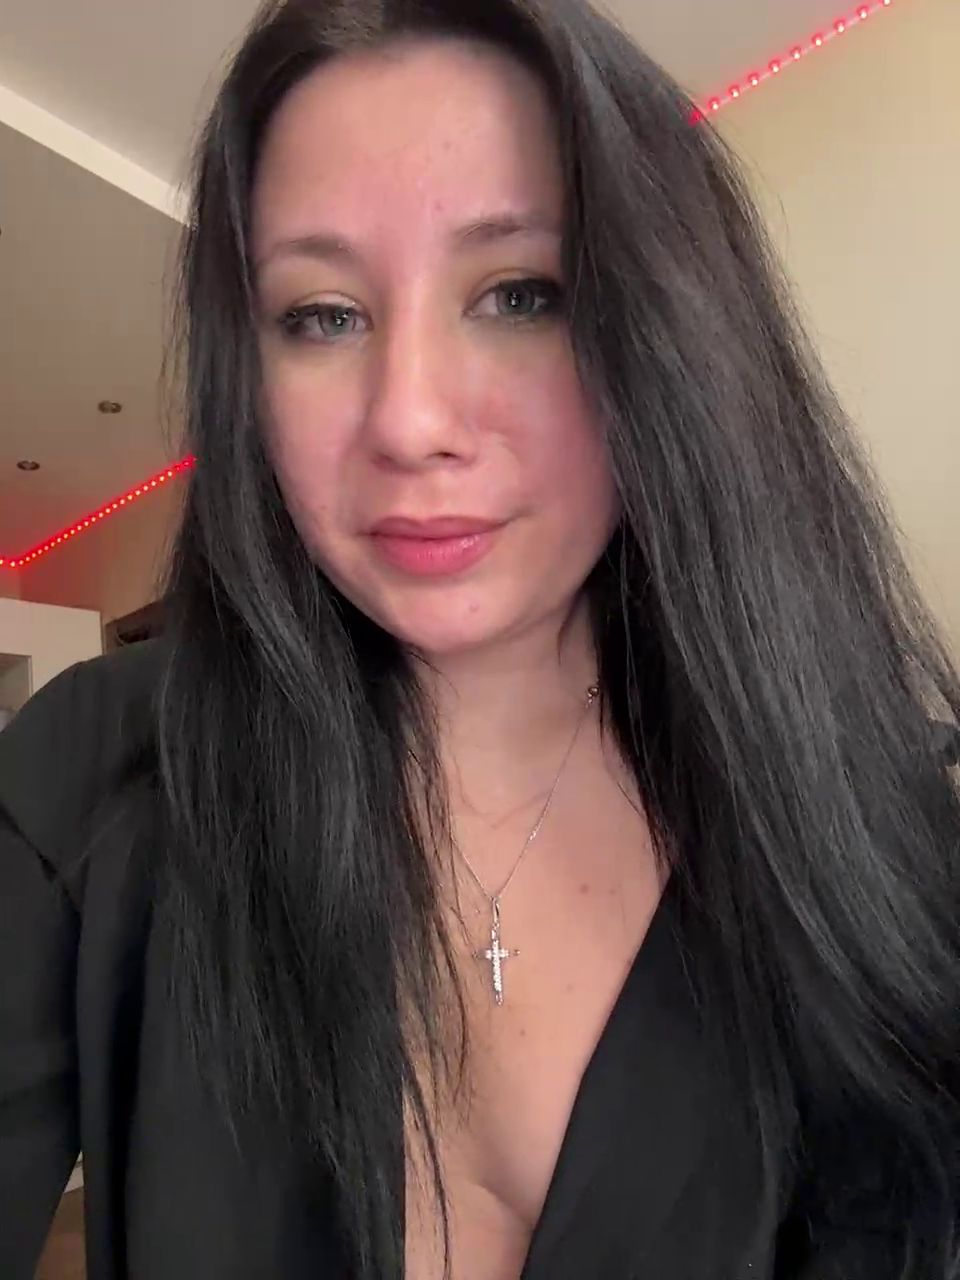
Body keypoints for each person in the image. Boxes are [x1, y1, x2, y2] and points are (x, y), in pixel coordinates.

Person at [1, 0, 958, 1275]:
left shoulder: (889, 836)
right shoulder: (97, 777)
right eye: (321, 314)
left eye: (519, 293)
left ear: (672, 335)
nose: (409, 419)